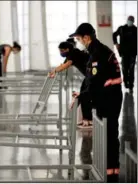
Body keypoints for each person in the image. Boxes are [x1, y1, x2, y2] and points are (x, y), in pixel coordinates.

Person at [69, 23, 123, 182]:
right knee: (109, 136)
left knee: (110, 137)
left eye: (79, 39)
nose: (79, 42)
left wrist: (81, 98)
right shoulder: (97, 51)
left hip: (109, 99)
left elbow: (95, 82)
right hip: (107, 97)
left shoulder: (97, 54)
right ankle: (110, 171)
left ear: (87, 37)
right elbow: (92, 81)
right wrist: (82, 94)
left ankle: (111, 174)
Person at [49, 40, 92, 128]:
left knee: (84, 95)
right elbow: (63, 65)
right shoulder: (71, 54)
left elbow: (66, 65)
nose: (60, 53)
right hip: (89, 75)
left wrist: (54, 71)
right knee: (83, 94)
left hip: (93, 75)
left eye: (61, 51)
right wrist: (54, 72)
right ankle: (85, 118)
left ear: (67, 49)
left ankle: (87, 119)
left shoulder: (73, 53)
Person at [113, 16, 137, 94]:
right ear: (127, 21)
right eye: (129, 20)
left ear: (133, 22)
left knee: (131, 70)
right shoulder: (122, 28)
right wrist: (116, 44)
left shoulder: (135, 30)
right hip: (124, 53)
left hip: (132, 53)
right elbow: (114, 35)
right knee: (124, 69)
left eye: (131, 21)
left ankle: (131, 86)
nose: (130, 22)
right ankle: (126, 83)